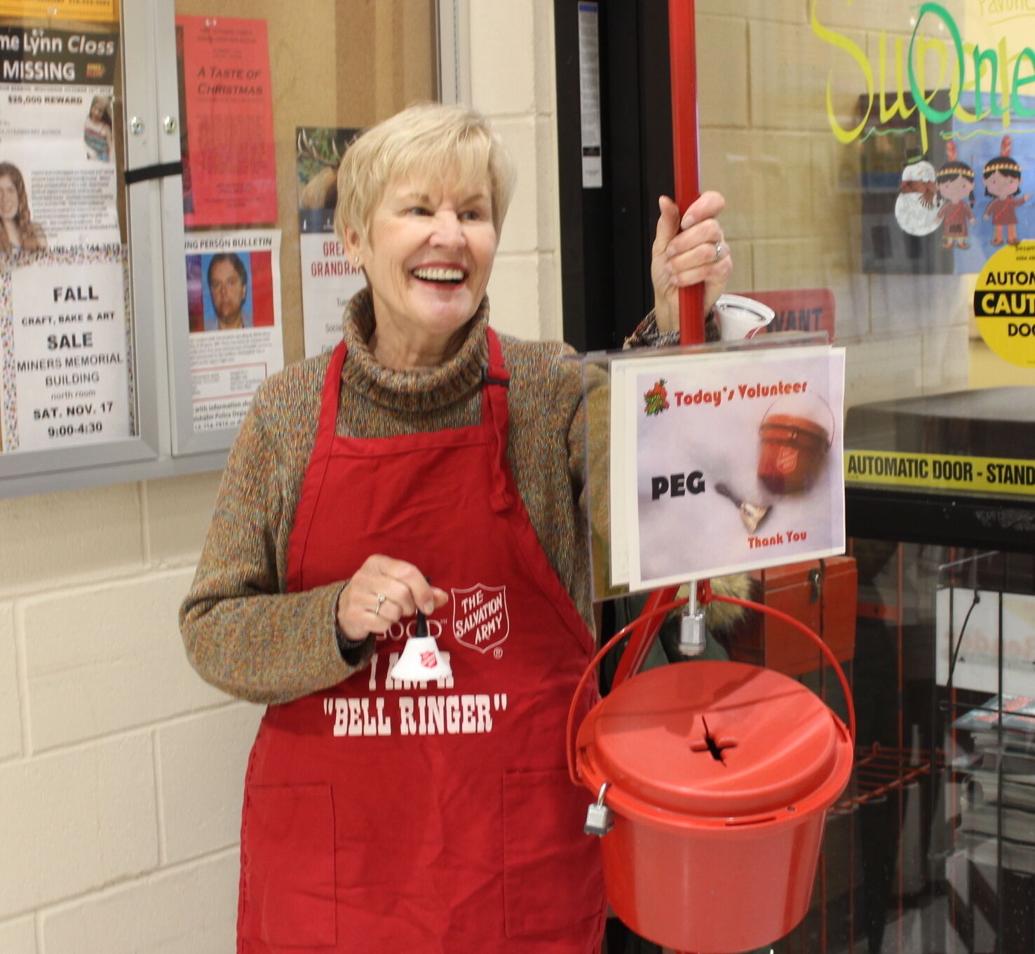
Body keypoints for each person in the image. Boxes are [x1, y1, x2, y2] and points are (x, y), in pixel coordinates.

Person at [180, 102, 732, 953]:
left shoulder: (551, 392)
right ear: (354, 239)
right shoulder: (286, 413)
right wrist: (332, 618)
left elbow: (680, 535)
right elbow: (212, 629)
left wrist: (673, 331)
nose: (450, 235)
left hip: (511, 873)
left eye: (472, 212)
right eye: (418, 208)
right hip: (336, 880)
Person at [0, 162, 47, 256]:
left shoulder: (36, 230)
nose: (5, 198)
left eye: (10, 190)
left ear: (19, 194)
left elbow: (47, 263)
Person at [206, 252, 249, 330]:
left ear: (243, 290)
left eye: (230, 283)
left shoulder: (261, 326)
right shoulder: (200, 332)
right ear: (211, 292)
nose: (223, 291)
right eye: (217, 284)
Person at [83, 94, 114, 162]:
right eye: (95, 108)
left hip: (102, 157)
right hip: (88, 154)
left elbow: (110, 146)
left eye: (100, 111)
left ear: (104, 113)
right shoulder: (86, 121)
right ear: (91, 107)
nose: (96, 113)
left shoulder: (105, 128)